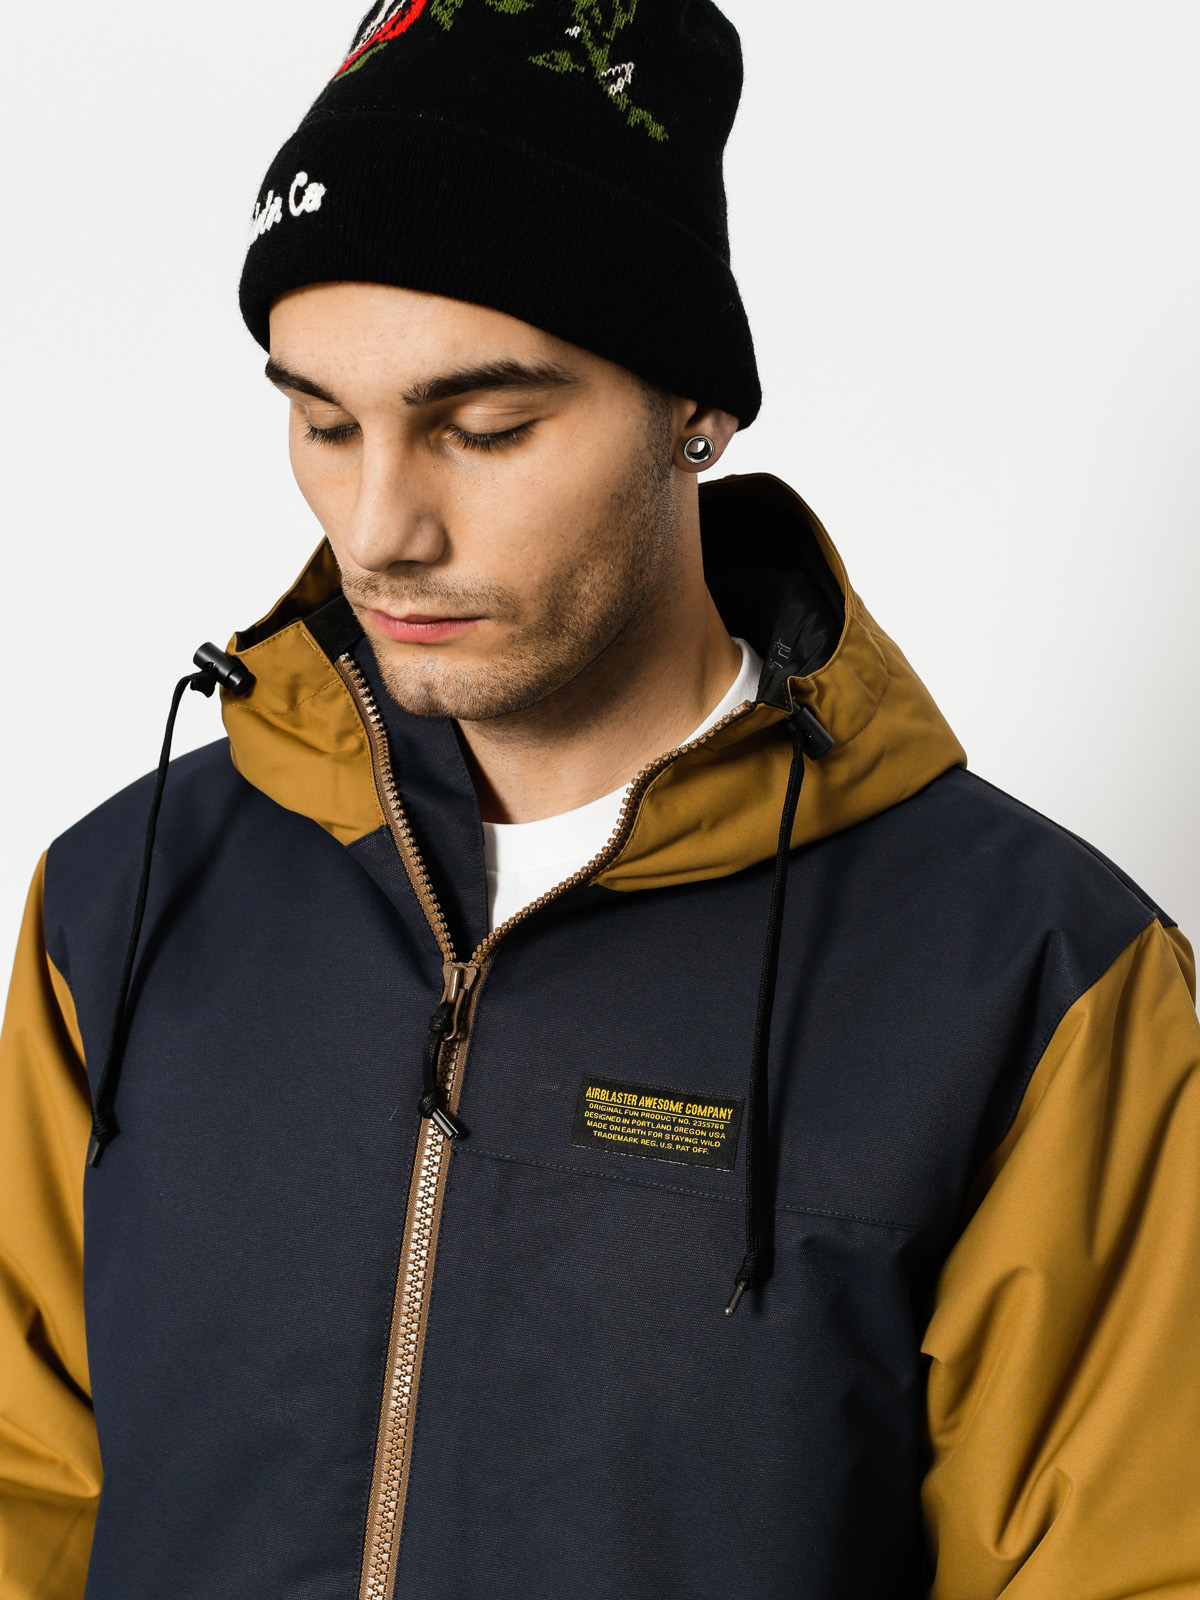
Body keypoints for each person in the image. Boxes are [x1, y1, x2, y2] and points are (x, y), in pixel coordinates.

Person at [2, 3, 1197, 1596]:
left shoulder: (1034, 981)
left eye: (485, 427)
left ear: (692, 407)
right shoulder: (127, 898)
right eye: (322, 420)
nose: (380, 528)